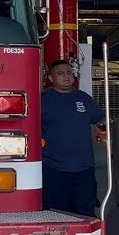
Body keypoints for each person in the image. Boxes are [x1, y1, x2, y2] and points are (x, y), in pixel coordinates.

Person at [41, 60, 106, 216]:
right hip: (53, 167)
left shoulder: (83, 98)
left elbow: (100, 120)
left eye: (69, 72)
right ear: (51, 78)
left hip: (84, 168)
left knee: (85, 213)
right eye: (60, 73)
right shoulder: (43, 100)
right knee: (56, 214)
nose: (66, 76)